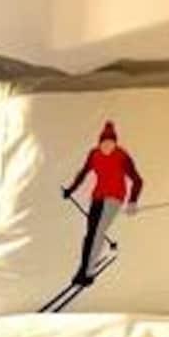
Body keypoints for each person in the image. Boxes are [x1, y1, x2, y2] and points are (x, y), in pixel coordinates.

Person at [61, 121, 143, 285]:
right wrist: (71, 190)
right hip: (98, 196)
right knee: (90, 234)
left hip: (114, 197)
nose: (107, 146)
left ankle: (87, 273)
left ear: (115, 143)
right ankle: (84, 268)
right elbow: (83, 173)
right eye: (104, 143)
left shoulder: (122, 156)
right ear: (99, 143)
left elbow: (137, 180)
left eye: (111, 143)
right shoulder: (94, 154)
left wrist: (132, 201)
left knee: (97, 233)